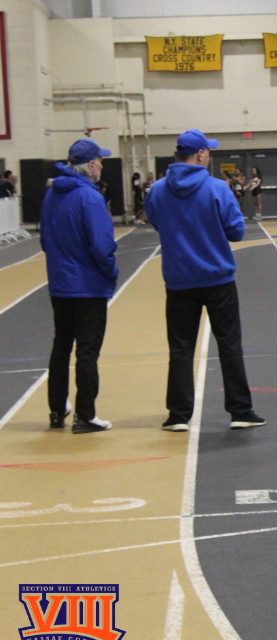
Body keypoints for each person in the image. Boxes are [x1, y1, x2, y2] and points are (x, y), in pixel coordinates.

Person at [145, 129, 265, 432]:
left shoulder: (157, 190)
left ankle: (178, 414)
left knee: (180, 348)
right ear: (200, 154)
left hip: (178, 280)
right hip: (217, 278)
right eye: (208, 151)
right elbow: (236, 231)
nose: (209, 155)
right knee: (229, 344)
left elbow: (156, 222)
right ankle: (240, 410)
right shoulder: (218, 188)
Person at [40, 138, 118, 434]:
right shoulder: (90, 198)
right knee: (87, 350)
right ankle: (86, 414)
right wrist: (110, 272)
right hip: (88, 285)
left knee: (61, 345)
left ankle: (56, 409)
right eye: (100, 161)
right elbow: (102, 246)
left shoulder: (51, 194)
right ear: (92, 165)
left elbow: (45, 241)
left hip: (60, 284)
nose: (102, 166)